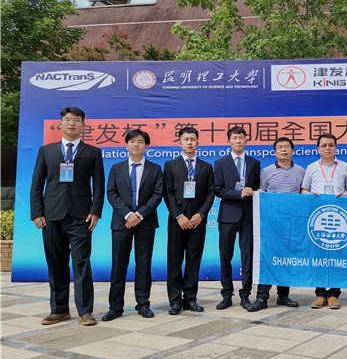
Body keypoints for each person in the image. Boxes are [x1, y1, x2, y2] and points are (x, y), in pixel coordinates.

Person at [30, 106, 105, 326]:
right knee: (56, 264)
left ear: (83, 125)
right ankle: (59, 310)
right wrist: (37, 212)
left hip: (81, 216)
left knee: (81, 263)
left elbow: (99, 185)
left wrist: (95, 211)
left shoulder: (92, 152)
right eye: (68, 119)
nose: (72, 123)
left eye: (77, 120)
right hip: (51, 215)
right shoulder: (46, 151)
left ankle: (85, 311)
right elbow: (36, 184)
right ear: (60, 123)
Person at [103, 130, 163, 321]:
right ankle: (115, 307)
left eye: (140, 141)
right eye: (132, 141)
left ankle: (143, 304)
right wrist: (128, 215)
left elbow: (157, 195)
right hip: (122, 222)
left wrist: (139, 215)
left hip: (146, 223)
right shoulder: (116, 168)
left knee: (144, 264)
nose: (136, 144)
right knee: (118, 265)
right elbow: (111, 193)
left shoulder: (155, 169)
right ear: (126, 145)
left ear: (147, 146)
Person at [247, 137, 305, 312]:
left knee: (286, 258)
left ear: (293, 150)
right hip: (271, 224)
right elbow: (261, 193)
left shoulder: (301, 171)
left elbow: (304, 194)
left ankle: (283, 295)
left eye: (287, 147)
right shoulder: (266, 172)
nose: (284, 150)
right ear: (275, 152)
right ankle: (262, 297)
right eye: (280, 147)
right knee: (267, 258)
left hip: (292, 223)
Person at [163, 127, 215, 315]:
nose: (190, 142)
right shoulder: (170, 165)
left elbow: (211, 193)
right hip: (177, 221)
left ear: (198, 142)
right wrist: (179, 215)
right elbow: (167, 192)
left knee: (194, 260)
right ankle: (175, 300)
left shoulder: (206, 167)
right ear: (180, 142)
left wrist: (200, 214)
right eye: (186, 139)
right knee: (174, 261)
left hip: (197, 222)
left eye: (193, 139)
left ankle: (191, 298)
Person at [301, 133, 347, 309]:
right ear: (318, 148)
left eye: (331, 145)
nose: (327, 148)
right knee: (318, 256)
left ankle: (333, 294)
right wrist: (311, 195)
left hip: (338, 218)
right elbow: (303, 190)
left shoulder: (344, 166)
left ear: (335, 147)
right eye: (323, 145)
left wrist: (344, 194)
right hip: (317, 218)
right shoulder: (311, 167)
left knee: (336, 254)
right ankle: (320, 294)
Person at [214, 126, 261, 310]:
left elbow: (256, 187)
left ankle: (245, 295)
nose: (238, 141)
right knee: (225, 256)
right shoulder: (220, 163)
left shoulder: (254, 163)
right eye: (234, 138)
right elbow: (217, 189)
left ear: (246, 140)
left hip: (248, 215)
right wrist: (238, 193)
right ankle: (226, 295)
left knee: (247, 256)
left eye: (241, 137)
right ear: (229, 141)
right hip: (228, 215)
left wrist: (256, 191)